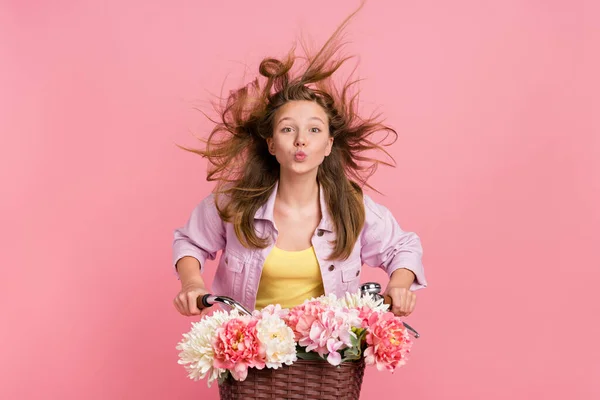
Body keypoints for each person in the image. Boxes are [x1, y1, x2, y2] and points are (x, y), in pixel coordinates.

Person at [172, 3, 427, 320]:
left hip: (323, 362)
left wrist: (400, 285)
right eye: (288, 129)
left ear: (328, 145)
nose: (301, 139)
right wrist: (192, 283)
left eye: (314, 130)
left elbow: (402, 247)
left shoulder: (351, 207)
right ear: (272, 144)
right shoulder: (233, 204)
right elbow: (190, 241)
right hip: (248, 360)